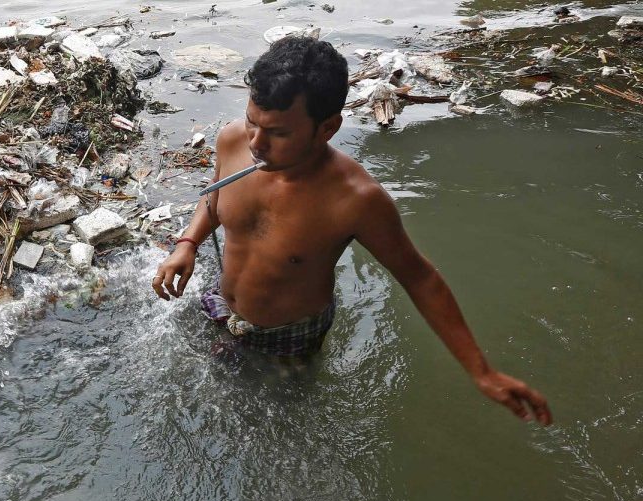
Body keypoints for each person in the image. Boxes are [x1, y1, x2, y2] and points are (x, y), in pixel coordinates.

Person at [151, 36, 552, 426]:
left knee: (276, 424)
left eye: (278, 133)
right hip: (221, 303)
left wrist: (481, 371)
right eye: (253, 122)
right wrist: (187, 243)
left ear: (327, 128)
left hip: (287, 336)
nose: (257, 143)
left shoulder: (355, 200)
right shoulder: (233, 139)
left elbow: (421, 279)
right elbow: (215, 197)